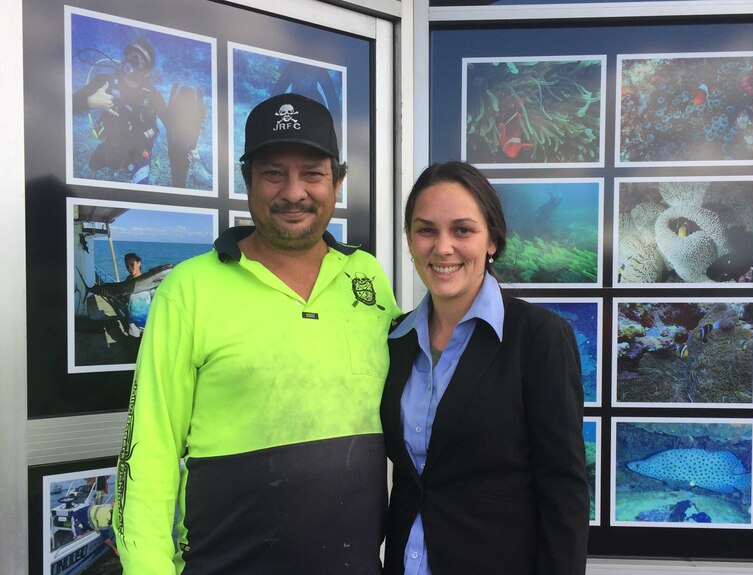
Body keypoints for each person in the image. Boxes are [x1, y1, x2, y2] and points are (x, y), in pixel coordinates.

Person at [113, 93, 399, 574]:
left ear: (338, 182)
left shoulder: (366, 277)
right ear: (247, 181)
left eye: (312, 173)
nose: (293, 192)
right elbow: (149, 448)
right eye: (273, 173)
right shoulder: (189, 290)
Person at [380, 161, 589, 575]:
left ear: (492, 239)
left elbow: (564, 491)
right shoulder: (395, 339)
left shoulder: (539, 337)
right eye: (426, 230)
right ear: (408, 239)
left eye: (463, 230)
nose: (443, 247)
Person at [72, 38, 205, 187]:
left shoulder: (152, 94)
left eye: (141, 59)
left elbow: (170, 123)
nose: (134, 60)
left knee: (141, 186)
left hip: (139, 152)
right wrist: (90, 101)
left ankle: (135, 168)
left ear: (147, 70)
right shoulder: (105, 82)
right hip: (113, 143)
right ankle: (121, 167)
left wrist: (189, 129)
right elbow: (69, 106)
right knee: (93, 165)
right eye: (132, 54)